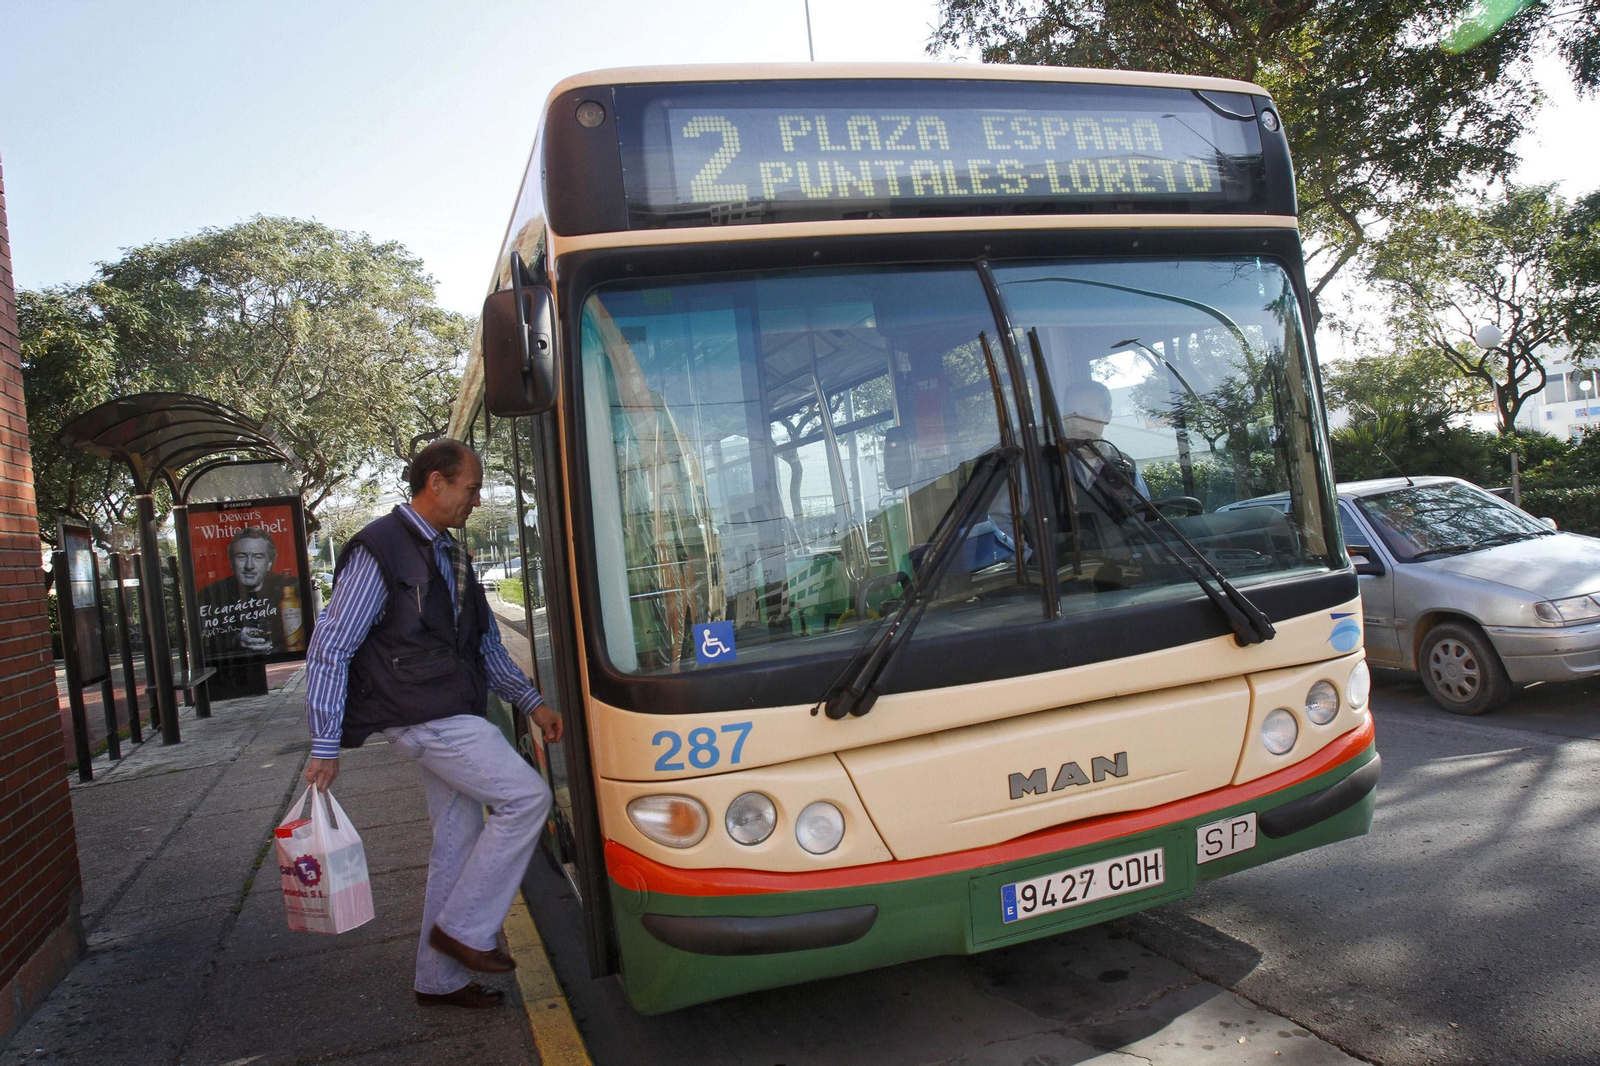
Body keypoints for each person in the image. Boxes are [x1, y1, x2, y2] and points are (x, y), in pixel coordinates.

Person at [303, 439, 563, 1011]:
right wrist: (325, 744)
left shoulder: (454, 554)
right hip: (425, 714)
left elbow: (486, 645)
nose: (476, 499)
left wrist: (531, 702)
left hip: (449, 710)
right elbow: (330, 647)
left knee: (457, 841)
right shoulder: (380, 549)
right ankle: (465, 931)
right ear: (437, 482)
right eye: (471, 488)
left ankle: (438, 979)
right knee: (526, 799)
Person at [197, 528, 290, 657]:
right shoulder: (210, 595)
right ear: (231, 563)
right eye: (241, 556)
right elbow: (204, 643)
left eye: (258, 557)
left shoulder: (288, 589)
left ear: (269, 563)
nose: (249, 565)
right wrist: (234, 640)